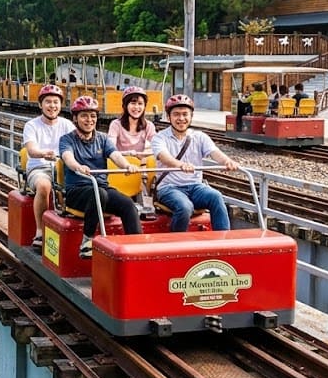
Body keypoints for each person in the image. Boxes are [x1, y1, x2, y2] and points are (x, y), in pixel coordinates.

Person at [59, 95, 141, 258]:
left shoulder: (102, 139)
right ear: (75, 118)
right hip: (77, 191)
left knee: (128, 204)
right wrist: (78, 166)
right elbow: (67, 157)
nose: (89, 120)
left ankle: (136, 247)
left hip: (100, 187)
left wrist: (126, 165)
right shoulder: (67, 139)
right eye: (84, 116)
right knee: (99, 194)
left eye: (93, 116)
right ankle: (87, 240)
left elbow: (115, 155)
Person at [151, 94, 240, 232]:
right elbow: (163, 156)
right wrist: (180, 165)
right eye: (176, 114)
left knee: (216, 197)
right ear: (168, 117)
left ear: (191, 116)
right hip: (169, 188)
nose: (181, 118)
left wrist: (227, 161)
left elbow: (214, 152)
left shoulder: (199, 137)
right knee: (185, 207)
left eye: (185, 114)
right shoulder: (160, 137)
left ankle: (223, 239)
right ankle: (177, 241)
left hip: (195, 186)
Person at [22, 84, 75, 248]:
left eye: (56, 102)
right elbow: (31, 150)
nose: (52, 106)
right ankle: (40, 230)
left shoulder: (67, 125)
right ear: (40, 105)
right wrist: (43, 153)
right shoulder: (32, 125)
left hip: (64, 167)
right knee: (44, 186)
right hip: (40, 167)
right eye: (48, 102)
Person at [108, 86, 156, 156]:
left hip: (139, 162)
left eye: (140, 103)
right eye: (133, 103)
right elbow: (110, 149)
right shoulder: (116, 125)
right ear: (125, 105)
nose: (136, 107)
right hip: (119, 161)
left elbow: (157, 147)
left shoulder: (149, 126)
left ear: (144, 106)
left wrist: (144, 154)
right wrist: (129, 153)